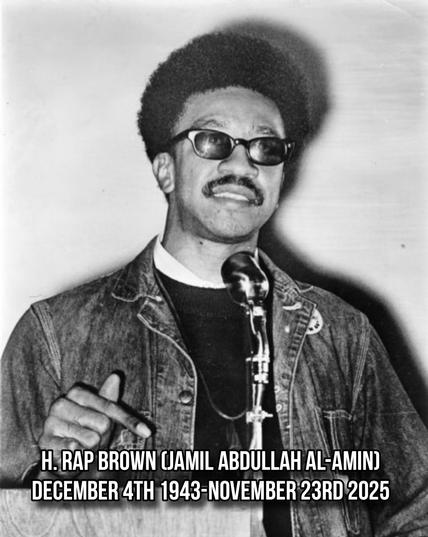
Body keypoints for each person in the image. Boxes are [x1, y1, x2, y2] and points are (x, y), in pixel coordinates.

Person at [1, 32, 427, 536]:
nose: (242, 164)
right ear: (165, 170)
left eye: (266, 147)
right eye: (213, 141)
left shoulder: (342, 334)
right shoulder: (55, 334)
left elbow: (416, 511)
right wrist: (49, 477)